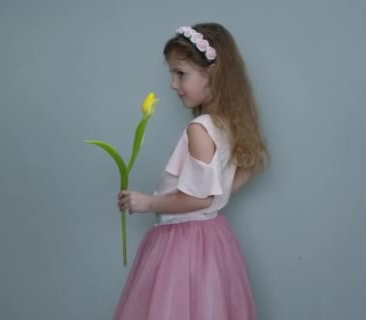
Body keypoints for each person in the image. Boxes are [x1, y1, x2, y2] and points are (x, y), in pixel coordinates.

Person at [114, 22, 269, 320]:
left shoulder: (200, 129)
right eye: (172, 73)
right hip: (213, 238)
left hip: (183, 243)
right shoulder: (225, 124)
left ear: (211, 75)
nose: (173, 84)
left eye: (180, 73)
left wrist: (148, 202)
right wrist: (219, 193)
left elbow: (198, 199)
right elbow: (231, 180)